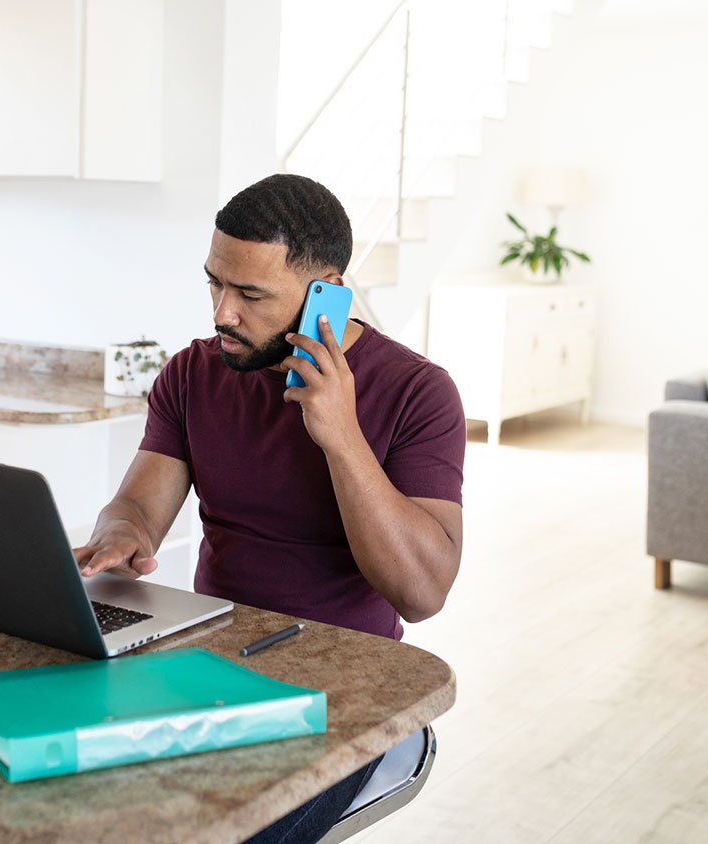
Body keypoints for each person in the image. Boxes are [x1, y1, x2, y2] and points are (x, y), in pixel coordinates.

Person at [73, 174, 466, 843]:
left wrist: (341, 436)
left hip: (346, 697)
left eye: (250, 294)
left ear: (328, 293)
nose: (222, 312)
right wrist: (117, 536)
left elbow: (421, 592)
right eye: (214, 284)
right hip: (210, 669)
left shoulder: (418, 393)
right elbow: (138, 506)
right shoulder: (191, 375)